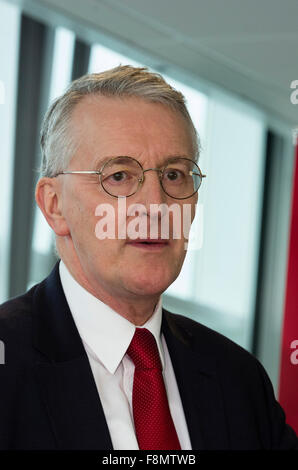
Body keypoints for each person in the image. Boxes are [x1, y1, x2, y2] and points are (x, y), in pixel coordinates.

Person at [0, 65, 297, 451]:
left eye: (174, 175)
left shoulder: (237, 378)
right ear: (54, 205)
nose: (156, 206)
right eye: (119, 176)